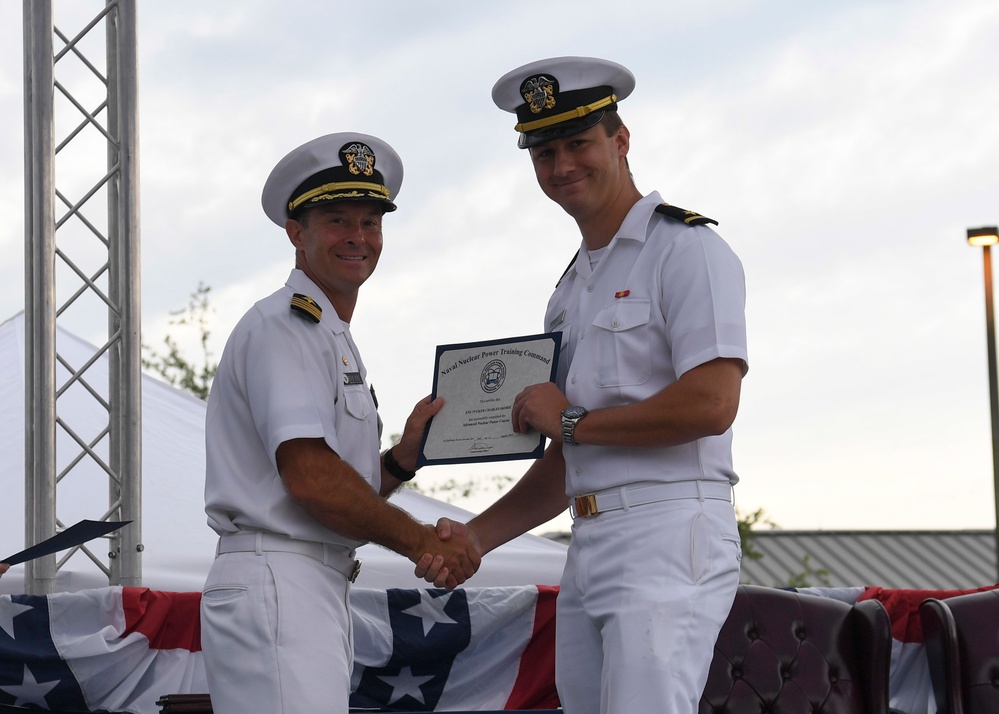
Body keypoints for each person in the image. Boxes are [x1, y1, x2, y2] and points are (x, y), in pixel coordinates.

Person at [422, 57, 749, 713]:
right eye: (544, 152)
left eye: (578, 143)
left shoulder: (686, 250)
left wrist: (570, 421)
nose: (562, 164)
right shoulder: (570, 290)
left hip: (667, 528)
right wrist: (476, 538)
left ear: (619, 140)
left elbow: (711, 404)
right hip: (590, 535)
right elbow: (571, 454)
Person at [200, 132, 479, 714]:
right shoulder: (286, 327)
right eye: (336, 219)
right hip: (281, 575)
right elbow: (311, 481)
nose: (358, 237)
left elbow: (334, 483)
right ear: (295, 232)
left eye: (371, 222)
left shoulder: (328, 333)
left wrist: (402, 460)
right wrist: (421, 541)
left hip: (308, 579)